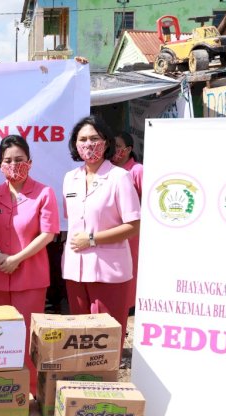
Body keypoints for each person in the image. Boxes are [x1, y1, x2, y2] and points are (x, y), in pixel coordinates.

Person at [0, 135, 59, 394]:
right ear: (0, 165)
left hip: (31, 277)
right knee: (2, 335)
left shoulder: (44, 193)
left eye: (19, 160)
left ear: (30, 162)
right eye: (8, 161)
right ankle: (5, 390)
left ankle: (31, 390)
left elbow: (48, 234)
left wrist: (16, 259)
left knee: (27, 338)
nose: (14, 165)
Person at [62, 116, 140, 346]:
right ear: (75, 145)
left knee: (105, 339)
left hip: (109, 271)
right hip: (75, 269)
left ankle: (106, 381)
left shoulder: (119, 177)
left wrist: (93, 239)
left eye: (94, 138)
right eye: (83, 139)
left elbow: (134, 225)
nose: (88, 144)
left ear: (106, 143)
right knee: (80, 337)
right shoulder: (70, 178)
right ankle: (82, 380)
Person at [112, 131, 143, 310]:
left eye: (118, 146)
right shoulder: (109, 170)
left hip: (133, 231)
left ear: (128, 149)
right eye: (112, 146)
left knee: (133, 266)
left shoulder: (137, 170)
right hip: (114, 228)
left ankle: (130, 304)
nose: (114, 150)